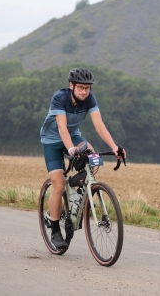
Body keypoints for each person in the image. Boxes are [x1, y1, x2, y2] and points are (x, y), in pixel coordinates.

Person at [40, 67, 125, 249]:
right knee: (58, 183)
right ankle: (55, 230)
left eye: (87, 88)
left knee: (91, 155)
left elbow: (99, 125)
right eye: (80, 88)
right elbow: (62, 128)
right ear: (71, 86)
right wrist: (70, 148)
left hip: (74, 136)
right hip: (52, 142)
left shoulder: (89, 100)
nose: (84, 91)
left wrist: (114, 147)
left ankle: (78, 193)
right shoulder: (60, 98)